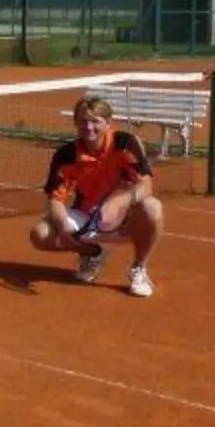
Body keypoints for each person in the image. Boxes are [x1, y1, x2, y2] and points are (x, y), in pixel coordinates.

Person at [28, 97, 163, 298]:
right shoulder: (66, 155)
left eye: (96, 121)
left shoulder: (126, 143)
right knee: (40, 234)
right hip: (86, 218)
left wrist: (122, 200)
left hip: (125, 220)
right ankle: (92, 253)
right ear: (76, 123)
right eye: (83, 121)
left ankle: (138, 268)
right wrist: (64, 228)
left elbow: (146, 185)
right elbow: (55, 199)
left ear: (108, 123)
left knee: (152, 207)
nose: (89, 127)